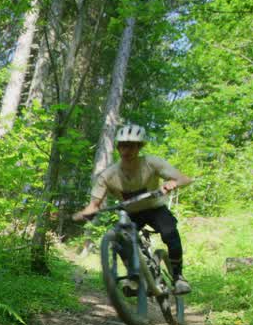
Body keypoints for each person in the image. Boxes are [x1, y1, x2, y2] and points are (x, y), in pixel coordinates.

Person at [73, 124, 193, 294]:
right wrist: (85, 213)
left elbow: (185, 179)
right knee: (120, 241)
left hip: (155, 208)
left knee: (169, 232)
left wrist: (173, 182)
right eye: (122, 145)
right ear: (118, 147)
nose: (126, 151)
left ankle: (178, 277)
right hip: (131, 214)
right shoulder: (109, 175)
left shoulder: (152, 163)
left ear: (139, 147)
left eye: (131, 146)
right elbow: (94, 205)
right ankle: (135, 278)